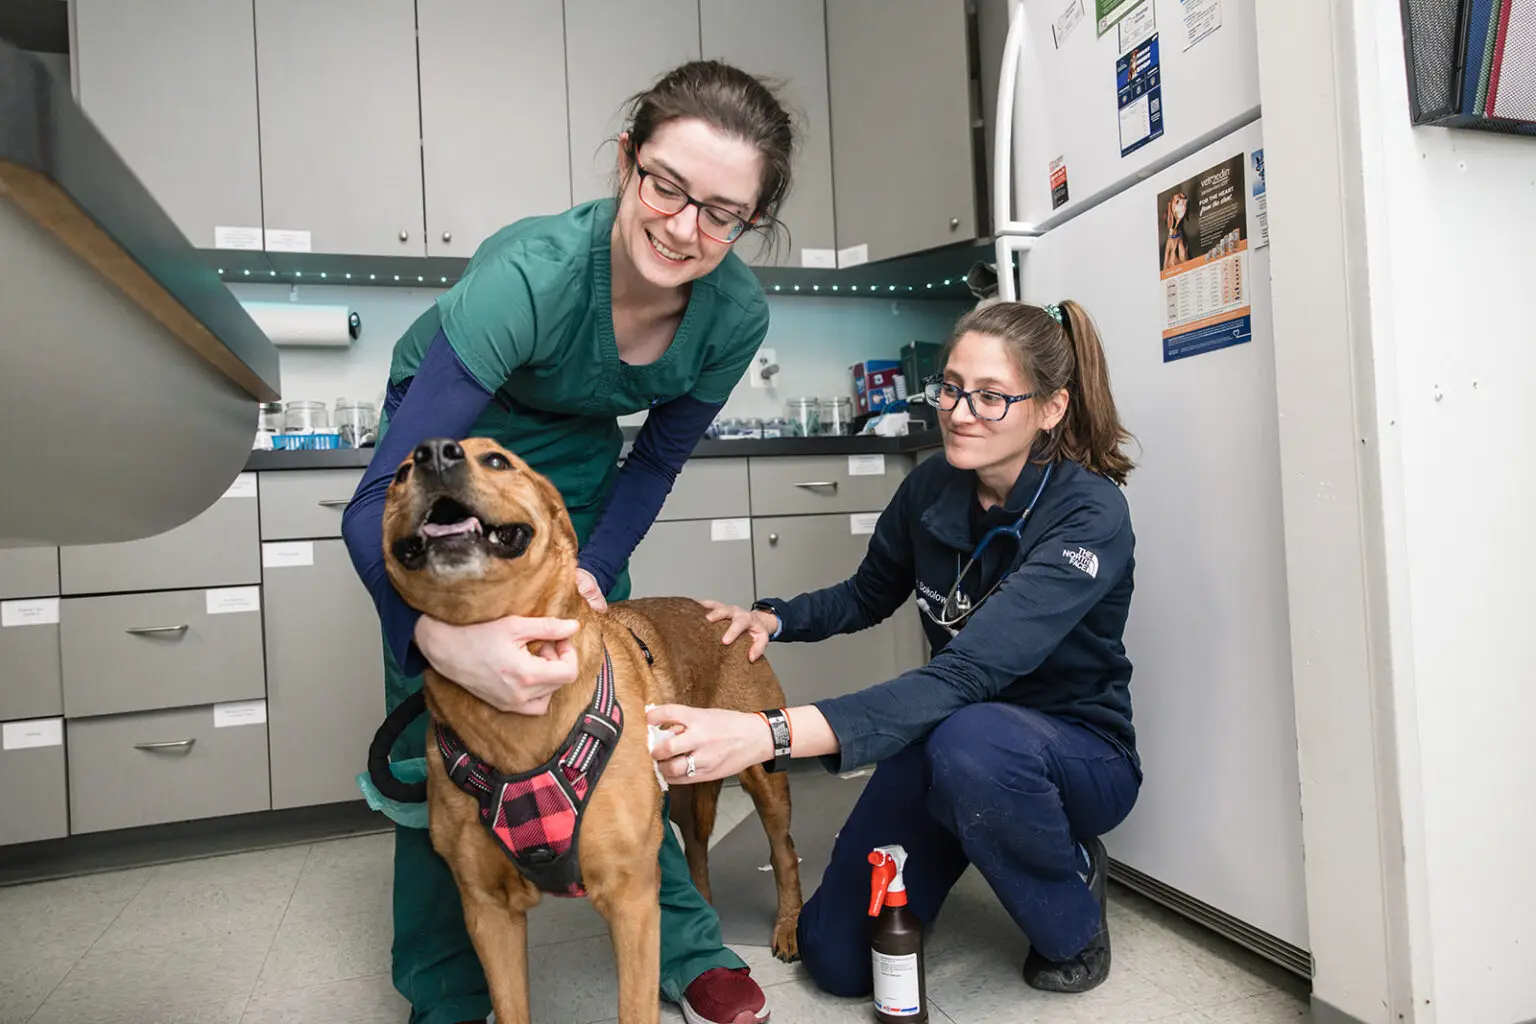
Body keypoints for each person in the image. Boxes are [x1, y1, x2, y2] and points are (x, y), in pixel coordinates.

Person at [340, 59, 797, 1024]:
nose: (684, 227)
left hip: (579, 454)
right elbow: (373, 499)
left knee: (616, 717)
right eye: (666, 186)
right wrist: (438, 642)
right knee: (444, 746)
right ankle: (451, 994)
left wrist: (588, 569)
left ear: (751, 222)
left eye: (723, 213)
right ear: (629, 162)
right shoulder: (532, 276)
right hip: (454, 436)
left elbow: (655, 464)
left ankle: (681, 943)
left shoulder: (734, 314)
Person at [647, 300, 1143, 997]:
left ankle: (1074, 898)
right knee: (839, 960)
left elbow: (967, 672)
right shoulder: (932, 487)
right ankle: (975, 834)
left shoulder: (1089, 514)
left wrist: (770, 734)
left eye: (993, 397)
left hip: (1075, 757)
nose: (960, 411)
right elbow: (867, 592)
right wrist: (773, 620)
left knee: (974, 740)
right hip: (951, 741)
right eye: (950, 387)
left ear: (1052, 408)